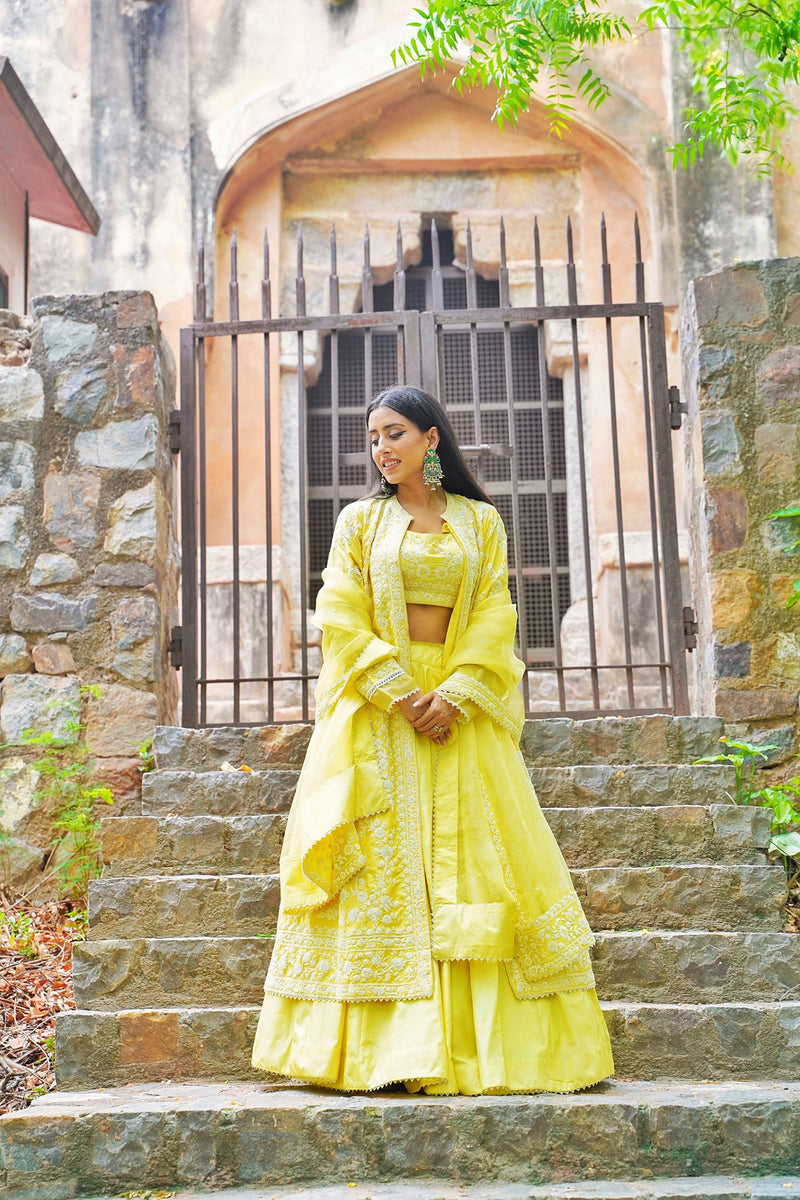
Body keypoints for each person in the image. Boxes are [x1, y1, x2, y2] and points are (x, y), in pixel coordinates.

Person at [251, 385, 614, 1094]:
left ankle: (486, 1050)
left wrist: (457, 693)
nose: (381, 448)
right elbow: (341, 611)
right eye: (373, 438)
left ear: (431, 439)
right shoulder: (360, 522)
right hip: (380, 710)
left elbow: (493, 611)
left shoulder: (480, 522)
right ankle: (374, 1051)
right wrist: (397, 689)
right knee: (378, 867)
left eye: (394, 433)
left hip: (458, 708)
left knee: (478, 858)